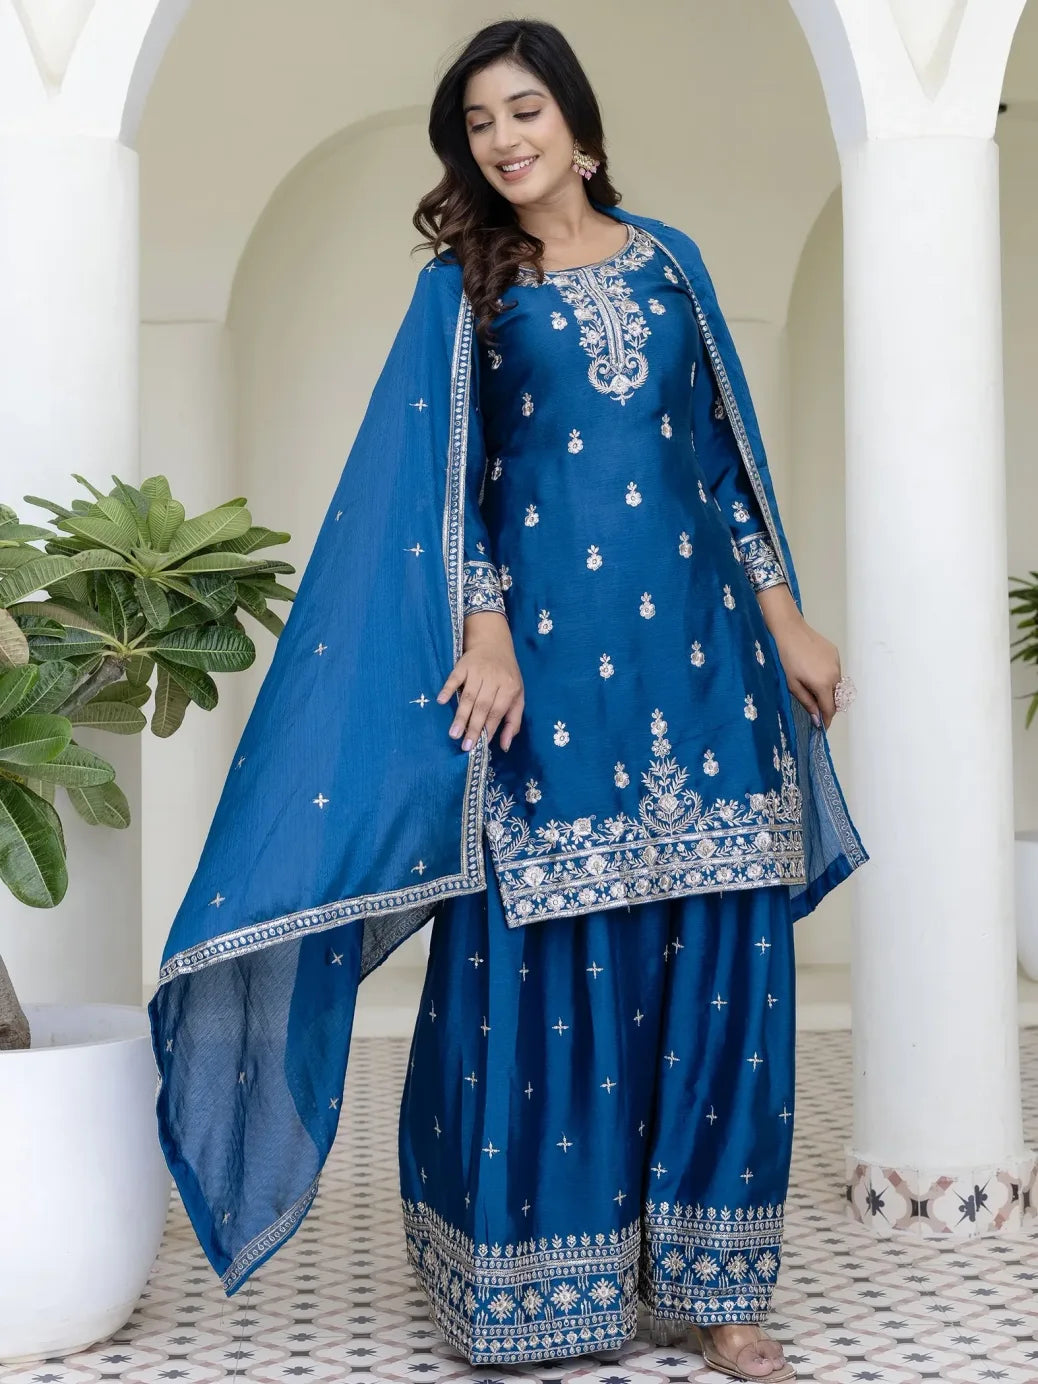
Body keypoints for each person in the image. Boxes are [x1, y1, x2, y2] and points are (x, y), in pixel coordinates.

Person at [148, 16, 866, 1383]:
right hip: (548, 661)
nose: (502, 137)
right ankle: (534, 1283)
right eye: (478, 122)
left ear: (577, 125)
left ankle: (719, 1296)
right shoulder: (463, 286)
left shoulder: (671, 264)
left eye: (522, 109)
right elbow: (447, 490)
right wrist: (484, 631)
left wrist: (783, 620)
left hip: (702, 658)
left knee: (717, 948)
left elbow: (722, 462)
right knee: (547, 943)